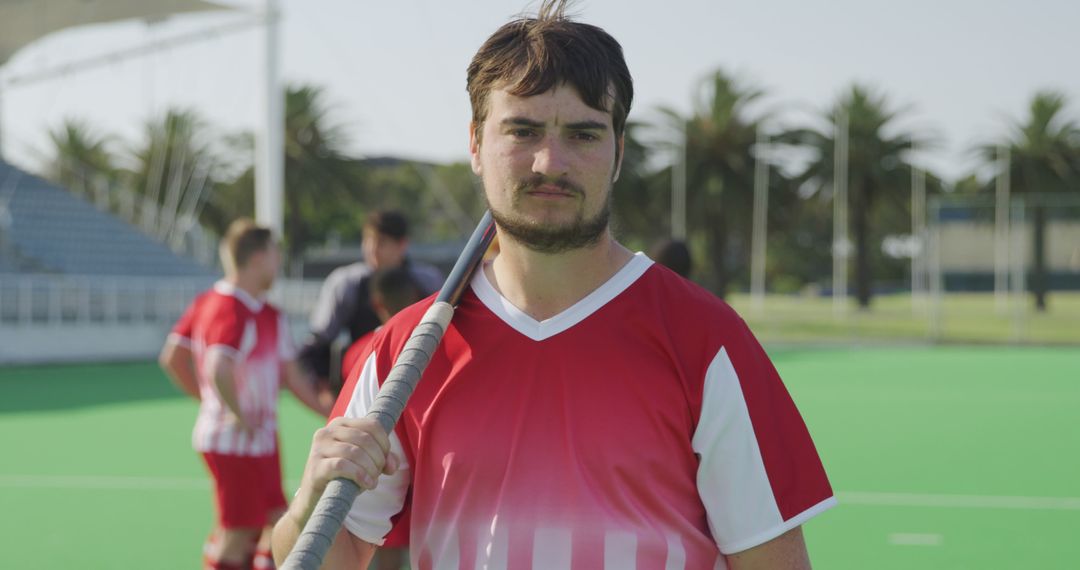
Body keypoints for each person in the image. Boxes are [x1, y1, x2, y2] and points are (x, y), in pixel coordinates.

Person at [273, 2, 835, 568]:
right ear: (474, 143)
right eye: (523, 130)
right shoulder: (403, 349)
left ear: (618, 151)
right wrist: (308, 505)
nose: (550, 161)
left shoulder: (705, 339)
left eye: (584, 134)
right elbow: (327, 555)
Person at [159, 218, 331, 570]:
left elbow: (173, 358)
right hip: (234, 442)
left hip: (259, 440)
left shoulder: (258, 311)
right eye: (274, 254)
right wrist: (232, 412)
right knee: (238, 533)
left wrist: (332, 413)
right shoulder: (231, 309)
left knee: (277, 520)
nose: (278, 262)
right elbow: (217, 367)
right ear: (257, 258)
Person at [298, 210, 443, 397]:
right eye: (368, 241)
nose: (372, 249)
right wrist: (324, 387)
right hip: (362, 380)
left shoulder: (428, 282)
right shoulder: (346, 284)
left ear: (402, 245)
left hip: (420, 384)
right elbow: (318, 343)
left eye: (381, 242)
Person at [337, 265, 425, 570]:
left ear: (377, 303)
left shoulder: (359, 352)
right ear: (414, 296)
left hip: (374, 475)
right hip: (417, 483)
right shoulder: (437, 346)